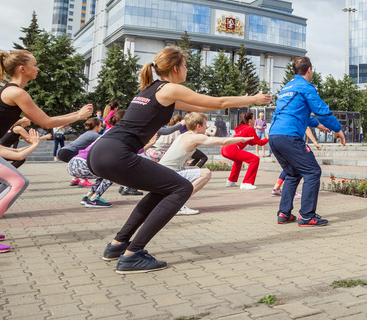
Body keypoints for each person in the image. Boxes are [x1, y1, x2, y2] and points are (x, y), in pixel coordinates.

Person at [87, 46, 270, 273]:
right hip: (116, 153)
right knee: (182, 188)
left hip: (101, 152)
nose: (187, 69)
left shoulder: (152, 90)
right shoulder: (170, 89)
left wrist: (236, 101)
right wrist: (252, 98)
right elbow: (218, 103)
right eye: (185, 65)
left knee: (163, 189)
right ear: (175, 68)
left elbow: (203, 105)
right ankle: (132, 254)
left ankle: (117, 245)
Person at [0, 50, 93, 254]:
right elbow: (46, 122)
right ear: (23, 69)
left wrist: (77, 114)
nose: (37, 68)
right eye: (35, 64)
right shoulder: (17, 92)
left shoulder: (7, 91)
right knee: (17, 182)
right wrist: (78, 116)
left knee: (8, 182)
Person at [268, 56, 345, 227]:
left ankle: (284, 213)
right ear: (309, 69)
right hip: (289, 136)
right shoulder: (305, 87)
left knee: (292, 174)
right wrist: (337, 128)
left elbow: (297, 114)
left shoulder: (287, 87)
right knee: (312, 171)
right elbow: (321, 110)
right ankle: (307, 215)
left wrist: (319, 125)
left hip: (274, 136)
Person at [159, 112, 250, 215]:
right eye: (205, 124)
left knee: (195, 169)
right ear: (198, 126)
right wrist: (242, 139)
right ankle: (177, 203)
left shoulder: (185, 135)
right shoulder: (194, 138)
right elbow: (223, 141)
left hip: (163, 171)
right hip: (168, 173)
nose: (206, 126)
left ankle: (173, 198)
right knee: (206, 173)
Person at [0, 129, 42, 214]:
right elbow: (19, 156)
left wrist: (34, 144)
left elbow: (17, 151)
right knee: (2, 179)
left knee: (3, 178)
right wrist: (35, 144)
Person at [222, 112, 267, 189]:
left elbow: (251, 141)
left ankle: (231, 181)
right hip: (232, 149)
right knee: (255, 159)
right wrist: (267, 139)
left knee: (238, 161)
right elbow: (259, 142)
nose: (255, 120)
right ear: (249, 120)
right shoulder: (249, 128)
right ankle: (247, 182)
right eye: (253, 118)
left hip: (224, 148)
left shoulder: (242, 127)